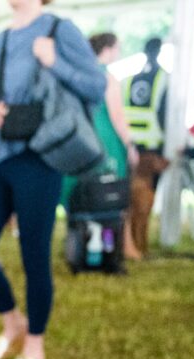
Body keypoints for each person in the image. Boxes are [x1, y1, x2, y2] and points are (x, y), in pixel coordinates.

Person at [0, 0, 103, 359]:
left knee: (34, 255)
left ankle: (34, 346)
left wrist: (54, 61)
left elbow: (96, 85)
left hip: (39, 157)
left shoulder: (60, 30)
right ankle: (13, 323)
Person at [61, 33, 141, 259]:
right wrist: (130, 144)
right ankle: (119, 246)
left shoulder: (77, 74)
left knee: (78, 197)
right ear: (108, 49)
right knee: (113, 196)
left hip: (78, 144)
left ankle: (78, 244)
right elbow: (117, 116)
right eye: (118, 48)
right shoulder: (107, 77)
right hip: (105, 144)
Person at [123, 37, 168, 157]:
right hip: (153, 144)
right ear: (159, 51)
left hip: (130, 141)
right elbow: (165, 113)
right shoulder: (165, 78)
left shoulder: (130, 79)